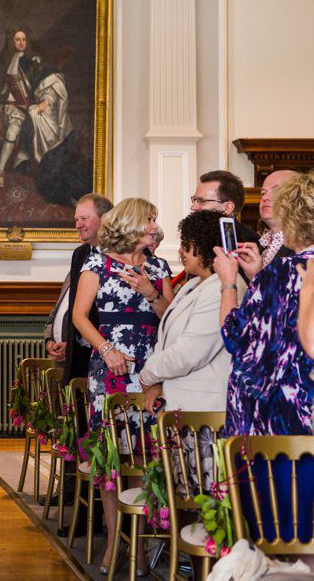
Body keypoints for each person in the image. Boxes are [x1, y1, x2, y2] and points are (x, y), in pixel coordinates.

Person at [71, 197, 174, 573]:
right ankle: (115, 540)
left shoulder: (159, 266)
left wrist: (150, 292)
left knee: (145, 454)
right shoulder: (97, 262)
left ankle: (141, 546)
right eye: (150, 220)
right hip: (110, 367)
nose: (154, 227)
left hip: (150, 366)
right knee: (112, 456)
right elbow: (79, 316)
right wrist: (106, 348)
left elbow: (170, 318)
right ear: (132, 224)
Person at [215, 171, 314, 543]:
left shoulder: (287, 271)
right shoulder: (278, 274)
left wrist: (229, 281)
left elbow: (236, 336)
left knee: (282, 537)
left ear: (291, 219)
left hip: (282, 430)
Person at [139, 210, 246, 413]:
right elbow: (168, 340)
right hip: (181, 400)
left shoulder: (223, 288)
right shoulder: (194, 284)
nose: (181, 251)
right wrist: (158, 383)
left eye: (187, 245)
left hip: (206, 407)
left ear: (205, 246)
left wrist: (148, 374)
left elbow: (190, 352)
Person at [0, 28, 83, 203]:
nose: (21, 42)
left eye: (23, 39)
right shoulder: (5, 64)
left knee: (12, 133)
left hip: (20, 110)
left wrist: (45, 102)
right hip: (2, 108)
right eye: (17, 39)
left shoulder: (32, 64)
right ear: (11, 42)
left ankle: (0, 170)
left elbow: (46, 84)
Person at [44, 193, 113, 383]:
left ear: (105, 219)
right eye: (76, 219)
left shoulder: (121, 254)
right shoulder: (80, 254)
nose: (78, 224)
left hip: (105, 356)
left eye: (84, 218)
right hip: (75, 363)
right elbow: (75, 305)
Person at [257, 169, 299, 267]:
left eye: (276, 191)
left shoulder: (305, 245)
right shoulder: (260, 244)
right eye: (263, 193)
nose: (264, 198)